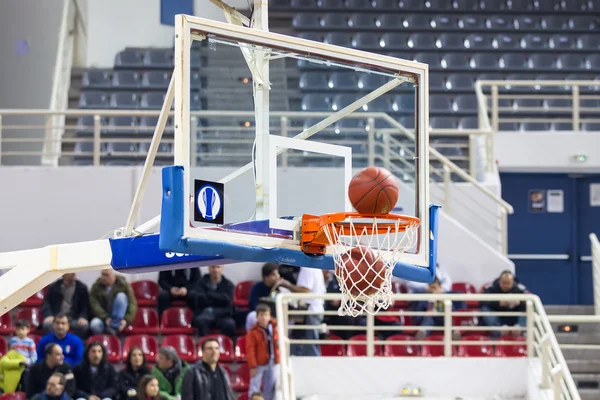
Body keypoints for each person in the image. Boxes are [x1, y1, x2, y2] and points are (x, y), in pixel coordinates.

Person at [280, 267, 326, 356]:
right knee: (302, 342)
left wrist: (287, 285)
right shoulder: (316, 268)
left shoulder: (308, 268)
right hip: (314, 310)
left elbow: (305, 290)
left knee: (310, 345)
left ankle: (315, 366)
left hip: (310, 311)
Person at [42, 273, 91, 339]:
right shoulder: (53, 287)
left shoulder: (81, 287)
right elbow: (46, 303)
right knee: (47, 325)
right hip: (57, 317)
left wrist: (82, 317)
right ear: (63, 274)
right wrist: (48, 315)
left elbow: (85, 306)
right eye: (70, 272)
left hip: (73, 318)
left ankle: (75, 344)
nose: (73, 273)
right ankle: (53, 345)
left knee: (84, 326)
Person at [89, 269, 138, 335]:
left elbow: (132, 303)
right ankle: (104, 339)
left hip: (120, 319)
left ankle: (114, 326)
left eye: (106, 275)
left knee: (121, 296)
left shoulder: (123, 284)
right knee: (94, 324)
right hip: (103, 318)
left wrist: (126, 320)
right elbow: (94, 304)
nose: (103, 277)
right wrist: (105, 317)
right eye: (102, 275)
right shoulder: (96, 286)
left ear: (114, 275)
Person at [193, 265, 236, 338]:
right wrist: (219, 298)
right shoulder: (200, 283)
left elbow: (227, 300)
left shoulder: (228, 284)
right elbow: (200, 299)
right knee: (201, 321)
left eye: (218, 267)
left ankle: (228, 346)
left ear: (222, 269)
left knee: (230, 324)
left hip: (223, 314)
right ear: (209, 268)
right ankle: (206, 346)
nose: (215, 270)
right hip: (205, 313)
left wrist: (209, 295)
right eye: (213, 267)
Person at [246, 304, 279, 400]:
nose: (264, 318)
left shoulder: (275, 328)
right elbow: (250, 349)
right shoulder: (252, 332)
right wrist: (252, 365)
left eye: (266, 315)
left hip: (273, 360)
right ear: (257, 317)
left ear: (269, 316)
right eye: (261, 315)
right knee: (254, 386)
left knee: (270, 386)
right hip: (259, 362)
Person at [482, 270, 528, 337]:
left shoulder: (520, 289)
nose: (506, 285)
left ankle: (519, 329)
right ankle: (499, 331)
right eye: (503, 283)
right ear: (499, 281)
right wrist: (498, 303)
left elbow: (530, 301)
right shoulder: (491, 288)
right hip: (498, 317)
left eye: (508, 283)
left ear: (513, 282)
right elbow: (481, 301)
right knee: (484, 309)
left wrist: (520, 303)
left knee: (528, 308)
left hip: (514, 318)